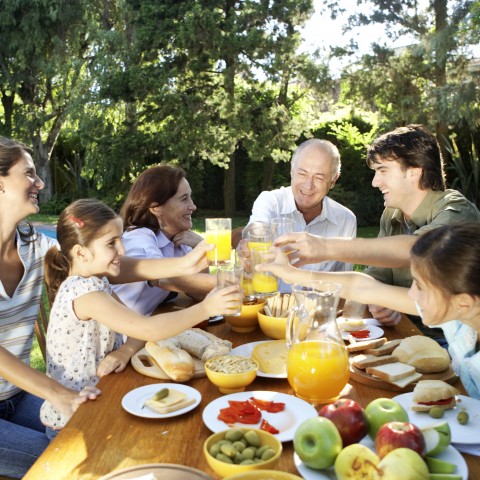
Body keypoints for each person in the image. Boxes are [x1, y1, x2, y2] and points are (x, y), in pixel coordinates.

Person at [0, 137, 214, 478]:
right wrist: (58, 393)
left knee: (114, 437)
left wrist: (183, 265)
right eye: (28, 173)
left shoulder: (35, 244)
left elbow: (111, 266)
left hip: (20, 393)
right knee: (75, 461)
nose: (39, 182)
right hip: (39, 389)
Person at [41, 198, 240, 439]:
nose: (122, 251)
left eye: (121, 240)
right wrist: (206, 308)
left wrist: (125, 351)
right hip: (74, 424)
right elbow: (148, 329)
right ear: (81, 252)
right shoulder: (84, 293)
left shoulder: (97, 281)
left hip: (101, 399)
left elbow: (137, 326)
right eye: (111, 243)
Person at [274, 125, 480, 336]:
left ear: (414, 172)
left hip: (450, 342)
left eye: (382, 171)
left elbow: (417, 250)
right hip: (403, 333)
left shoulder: (457, 211)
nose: (374, 182)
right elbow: (372, 279)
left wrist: (324, 247)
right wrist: (374, 306)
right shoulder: (391, 215)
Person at [257, 223, 480, 399]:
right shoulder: (456, 312)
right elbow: (363, 288)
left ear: (464, 303)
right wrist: (291, 274)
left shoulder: (454, 310)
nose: (411, 294)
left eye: (420, 287)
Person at [241, 138, 356, 291]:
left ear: (333, 180)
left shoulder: (346, 220)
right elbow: (257, 227)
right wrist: (250, 238)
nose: (308, 185)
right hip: (268, 310)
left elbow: (345, 284)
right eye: (302, 173)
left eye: (319, 178)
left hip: (316, 312)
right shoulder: (270, 201)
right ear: (292, 170)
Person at [112, 164, 215, 315]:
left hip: (142, 330)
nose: (193, 206)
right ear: (156, 208)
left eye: (190, 197)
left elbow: (200, 294)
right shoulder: (139, 237)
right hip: (117, 334)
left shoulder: (180, 241)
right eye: (184, 199)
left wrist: (198, 246)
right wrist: (232, 281)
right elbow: (163, 279)